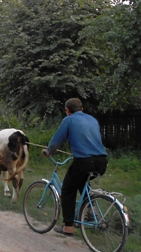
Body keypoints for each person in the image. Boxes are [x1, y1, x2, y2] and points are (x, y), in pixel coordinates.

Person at [42, 98, 108, 236]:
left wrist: (48, 152)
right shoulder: (93, 120)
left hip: (84, 161)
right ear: (82, 109)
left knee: (67, 189)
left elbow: (57, 139)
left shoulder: (69, 120)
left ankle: (68, 226)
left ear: (67, 111)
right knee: (82, 181)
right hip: (102, 161)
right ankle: (91, 210)